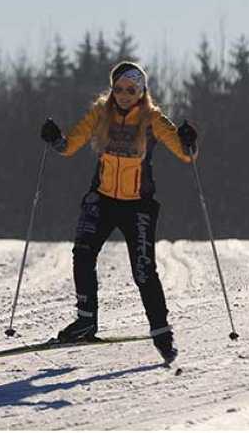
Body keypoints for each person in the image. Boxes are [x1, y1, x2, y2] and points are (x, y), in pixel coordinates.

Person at [40, 60, 198, 364]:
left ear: (142, 92)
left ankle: (161, 333)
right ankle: (86, 321)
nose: (124, 95)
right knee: (83, 254)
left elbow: (185, 155)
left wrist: (190, 141)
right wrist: (55, 138)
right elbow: (70, 145)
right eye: (119, 89)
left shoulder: (153, 119)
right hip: (101, 199)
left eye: (131, 90)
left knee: (143, 270)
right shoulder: (100, 113)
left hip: (138, 205)